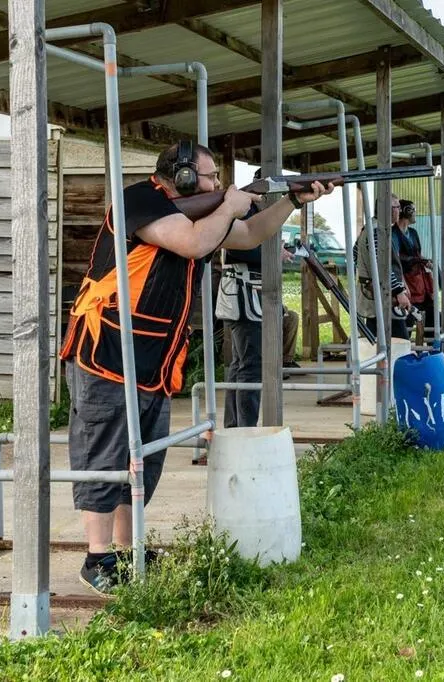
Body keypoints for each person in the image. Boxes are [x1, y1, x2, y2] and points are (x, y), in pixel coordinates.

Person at [60, 140, 333, 592]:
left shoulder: (199, 214)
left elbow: (250, 234)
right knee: (104, 455)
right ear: (183, 177)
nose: (218, 184)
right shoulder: (139, 201)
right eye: (210, 177)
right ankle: (97, 557)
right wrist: (229, 205)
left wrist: (291, 200)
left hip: (153, 359)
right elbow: (193, 243)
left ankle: (126, 551)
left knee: (140, 459)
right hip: (107, 351)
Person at [216, 169, 304, 429]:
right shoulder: (244, 209)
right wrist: (274, 253)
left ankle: (237, 427)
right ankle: (244, 429)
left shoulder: (255, 211)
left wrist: (277, 251)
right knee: (250, 366)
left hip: (250, 295)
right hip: (244, 295)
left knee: (242, 364)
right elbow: (239, 246)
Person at [354, 192, 411, 340]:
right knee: (400, 340)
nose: (400, 210)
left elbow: (355, 253)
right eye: (397, 207)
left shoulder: (372, 228)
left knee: (375, 338)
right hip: (382, 293)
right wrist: (398, 291)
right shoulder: (377, 231)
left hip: (377, 291)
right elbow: (382, 266)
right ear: (387, 209)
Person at [393, 199, 435, 340]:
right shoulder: (394, 234)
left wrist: (425, 262)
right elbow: (395, 261)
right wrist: (402, 284)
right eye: (413, 210)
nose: (415, 213)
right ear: (407, 212)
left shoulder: (413, 233)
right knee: (408, 318)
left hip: (419, 281)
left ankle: (432, 347)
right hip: (405, 282)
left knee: (431, 314)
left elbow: (417, 255)